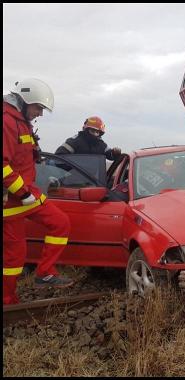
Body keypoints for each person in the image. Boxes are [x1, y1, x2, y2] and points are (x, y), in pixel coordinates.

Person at [3, 78, 74, 305]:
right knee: (14, 257)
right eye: (38, 108)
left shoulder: (21, 121)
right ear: (23, 101)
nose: (40, 114)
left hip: (27, 194)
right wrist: (23, 193)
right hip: (11, 202)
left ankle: (45, 273)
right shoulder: (6, 121)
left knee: (60, 222)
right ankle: (8, 302)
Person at [55, 116, 121, 160]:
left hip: (93, 180)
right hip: (70, 178)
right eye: (93, 131)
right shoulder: (74, 141)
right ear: (86, 130)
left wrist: (115, 152)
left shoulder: (101, 145)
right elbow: (59, 157)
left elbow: (110, 155)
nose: (95, 134)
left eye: (97, 132)